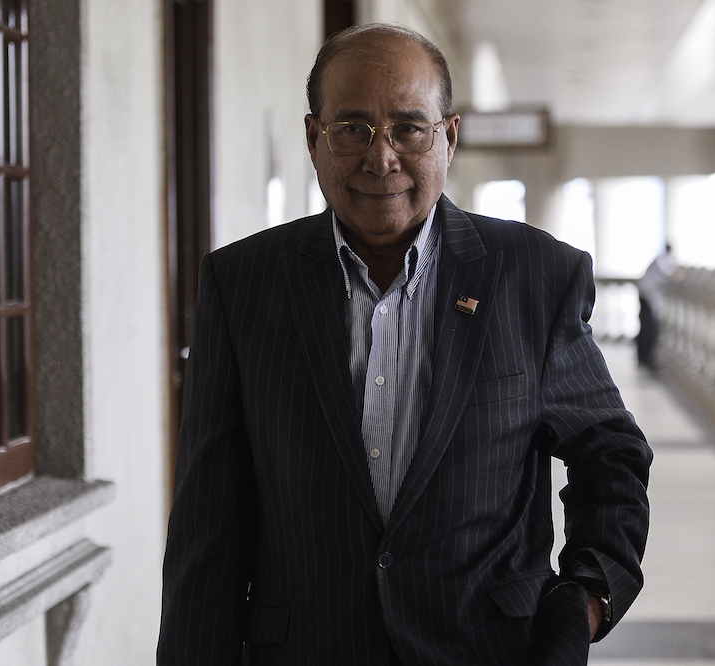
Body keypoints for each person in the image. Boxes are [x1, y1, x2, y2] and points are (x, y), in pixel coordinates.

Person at [158, 23, 651, 666]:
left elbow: (609, 453)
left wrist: (586, 597)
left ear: (448, 138)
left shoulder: (534, 276)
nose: (381, 157)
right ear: (314, 139)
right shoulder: (243, 285)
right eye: (353, 128)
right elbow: (207, 527)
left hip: (489, 648)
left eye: (409, 129)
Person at [637, 244, 681, 369]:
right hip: (646, 296)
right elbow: (673, 276)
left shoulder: (661, 260)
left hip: (647, 295)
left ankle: (644, 357)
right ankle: (644, 357)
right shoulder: (661, 261)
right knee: (648, 326)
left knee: (648, 326)